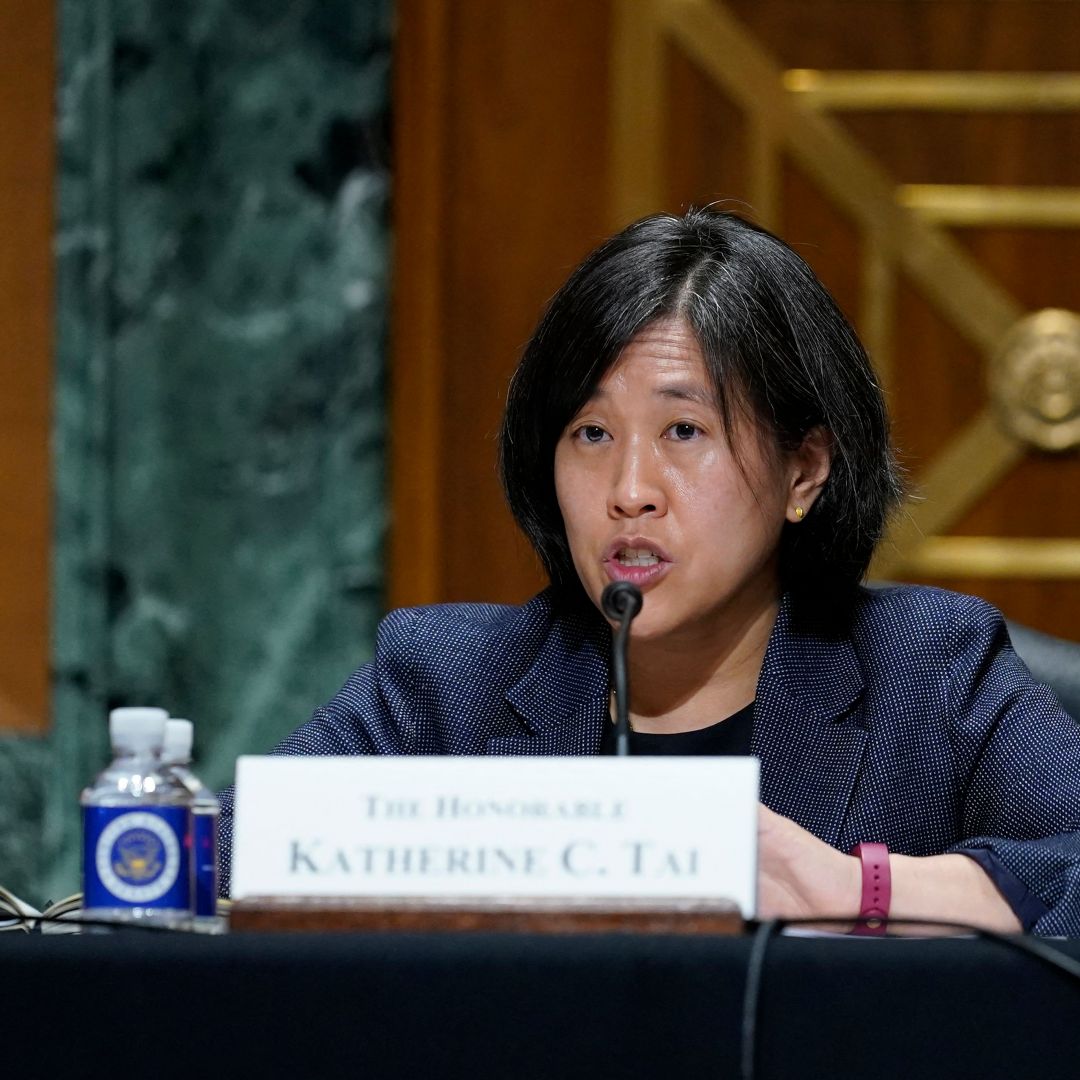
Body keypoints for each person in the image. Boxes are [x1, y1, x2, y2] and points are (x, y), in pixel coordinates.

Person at [218, 208, 1080, 934]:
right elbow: (213, 856)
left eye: (683, 433)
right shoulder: (448, 681)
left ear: (804, 472)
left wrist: (857, 891)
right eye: (591, 435)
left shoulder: (926, 672)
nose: (630, 492)